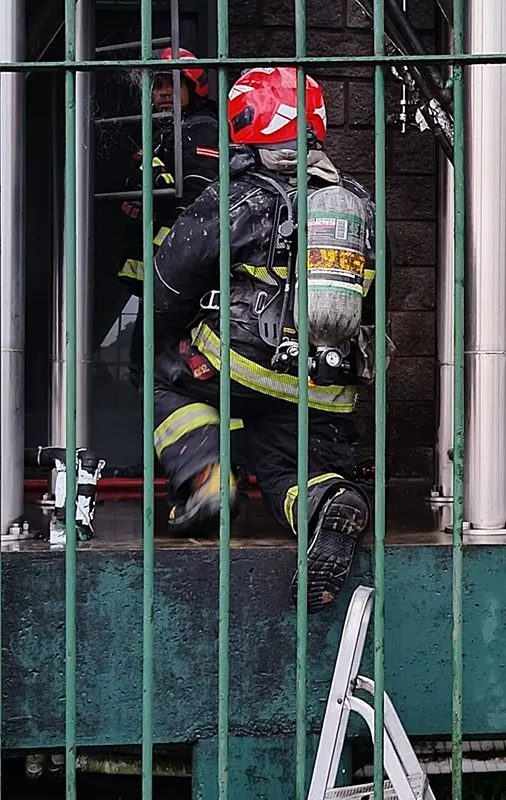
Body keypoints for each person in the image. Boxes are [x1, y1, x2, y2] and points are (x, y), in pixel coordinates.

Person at [150, 66, 389, 613]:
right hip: (326, 382)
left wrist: (173, 332)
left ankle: (207, 479)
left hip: (239, 365)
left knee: (160, 372)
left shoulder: (240, 196)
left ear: (244, 122)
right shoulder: (359, 205)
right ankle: (328, 498)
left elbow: (170, 279)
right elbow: (377, 299)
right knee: (291, 466)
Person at [119, 47, 221, 386]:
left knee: (155, 366)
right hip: (166, 273)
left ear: (193, 88)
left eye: (172, 84)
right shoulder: (165, 133)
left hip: (183, 275)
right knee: (148, 365)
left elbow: (202, 201)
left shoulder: (201, 129)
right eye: (157, 85)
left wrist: (160, 195)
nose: (163, 92)